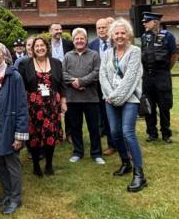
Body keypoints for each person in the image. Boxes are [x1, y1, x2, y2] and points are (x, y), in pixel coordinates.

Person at [99, 18, 147, 192]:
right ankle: (125, 162)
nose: (119, 36)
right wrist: (110, 96)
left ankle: (139, 174)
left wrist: (115, 98)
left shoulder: (135, 52)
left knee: (128, 132)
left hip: (129, 99)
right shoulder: (106, 54)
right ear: (111, 35)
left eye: (122, 33)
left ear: (128, 35)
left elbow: (131, 79)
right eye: (116, 33)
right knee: (115, 133)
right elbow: (102, 76)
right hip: (110, 99)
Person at [0, 41, 28, 215]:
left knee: (11, 163)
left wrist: (19, 136)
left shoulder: (14, 76)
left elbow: (22, 106)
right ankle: (7, 194)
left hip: (8, 126)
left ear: (4, 55)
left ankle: (16, 198)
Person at [18, 36, 67, 177]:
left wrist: (63, 101)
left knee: (50, 135)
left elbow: (62, 84)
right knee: (34, 136)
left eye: (42, 45)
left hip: (52, 105)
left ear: (47, 47)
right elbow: (21, 86)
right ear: (32, 49)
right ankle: (35, 165)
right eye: (36, 46)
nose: (39, 48)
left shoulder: (56, 63)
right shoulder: (25, 64)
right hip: (33, 106)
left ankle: (49, 164)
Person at [63, 28, 104, 165]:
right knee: (75, 127)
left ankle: (96, 153)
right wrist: (74, 82)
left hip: (90, 98)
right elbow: (62, 73)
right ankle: (78, 152)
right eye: (77, 39)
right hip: (73, 98)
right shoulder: (67, 56)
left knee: (94, 127)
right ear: (73, 41)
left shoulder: (94, 55)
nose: (79, 41)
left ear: (86, 40)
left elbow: (97, 72)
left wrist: (81, 81)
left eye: (82, 39)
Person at [141, 12, 177, 143]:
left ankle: (166, 134)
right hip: (147, 77)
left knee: (164, 106)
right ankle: (152, 133)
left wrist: (166, 70)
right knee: (148, 106)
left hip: (162, 76)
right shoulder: (145, 37)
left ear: (155, 22)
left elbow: (173, 56)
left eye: (147, 21)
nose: (144, 23)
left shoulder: (168, 36)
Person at [88, 18, 117, 156]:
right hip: (97, 87)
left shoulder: (116, 42)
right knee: (104, 116)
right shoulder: (91, 45)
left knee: (115, 115)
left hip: (115, 86)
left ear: (109, 28)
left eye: (103, 27)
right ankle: (111, 144)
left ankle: (119, 143)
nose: (101, 30)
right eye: (98, 28)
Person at [49, 23, 74, 143]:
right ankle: (56, 133)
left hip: (67, 78)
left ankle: (69, 133)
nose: (58, 31)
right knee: (52, 107)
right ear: (50, 31)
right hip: (52, 79)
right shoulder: (46, 45)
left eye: (60, 29)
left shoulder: (69, 44)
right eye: (56, 29)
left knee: (67, 107)